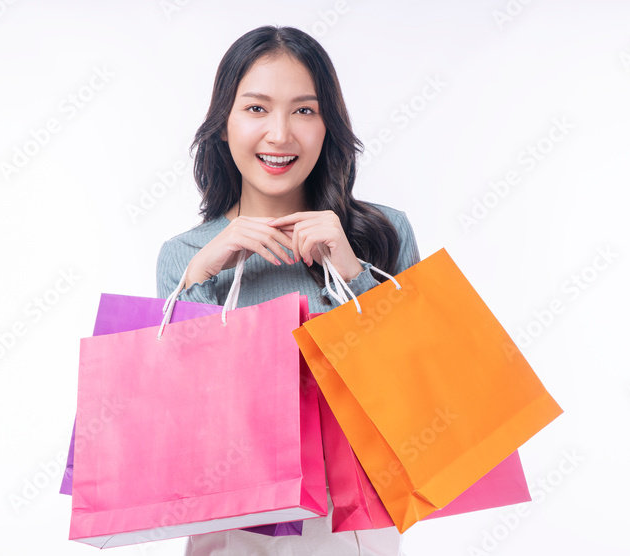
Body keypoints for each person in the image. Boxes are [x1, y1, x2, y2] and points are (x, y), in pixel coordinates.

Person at [155, 25, 419, 556]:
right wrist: (201, 279)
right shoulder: (186, 255)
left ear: (329, 126)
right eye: (256, 108)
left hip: (353, 522)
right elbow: (183, 421)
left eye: (303, 110)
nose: (280, 134)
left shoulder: (383, 232)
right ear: (223, 126)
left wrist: (352, 271)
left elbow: (416, 392)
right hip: (234, 524)